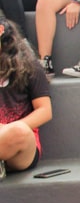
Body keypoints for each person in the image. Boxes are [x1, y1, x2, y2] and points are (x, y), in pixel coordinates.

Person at [0, 18, 52, 180]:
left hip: (19, 146)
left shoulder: (29, 66)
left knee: (19, 132)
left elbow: (45, 111)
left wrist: (6, 128)